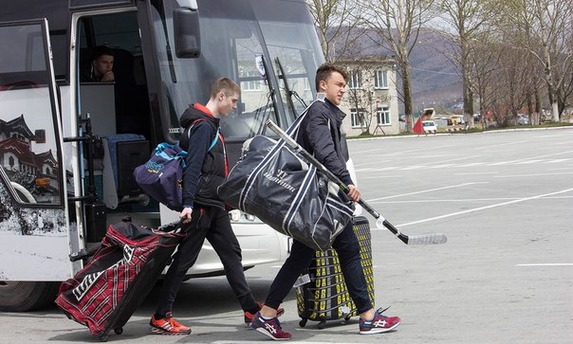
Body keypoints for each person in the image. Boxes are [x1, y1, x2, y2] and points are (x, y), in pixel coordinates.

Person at [249, 63, 401, 340]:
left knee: (332, 252)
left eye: (344, 85)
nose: (343, 89)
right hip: (318, 203)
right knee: (319, 255)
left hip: (321, 201)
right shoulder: (319, 113)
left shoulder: (325, 113)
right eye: (339, 84)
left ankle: (365, 316)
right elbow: (324, 151)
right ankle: (365, 318)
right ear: (323, 85)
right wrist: (347, 182)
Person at [149, 77, 282, 335]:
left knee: (231, 253)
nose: (234, 106)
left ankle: (250, 310)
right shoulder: (202, 127)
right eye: (233, 101)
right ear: (221, 96)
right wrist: (188, 203)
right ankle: (160, 316)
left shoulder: (209, 124)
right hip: (200, 204)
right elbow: (194, 167)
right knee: (184, 261)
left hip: (214, 203)